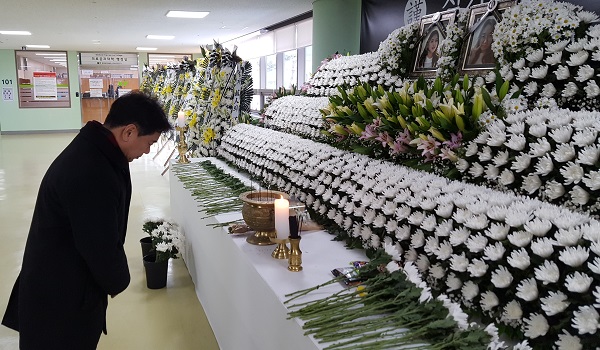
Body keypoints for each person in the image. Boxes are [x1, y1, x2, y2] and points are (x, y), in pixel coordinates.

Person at [2, 91, 172, 349]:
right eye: (149, 142)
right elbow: (97, 242)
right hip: (59, 299)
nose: (148, 151)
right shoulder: (91, 169)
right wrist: (119, 280)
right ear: (129, 132)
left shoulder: (98, 149)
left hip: (65, 286)